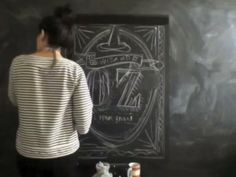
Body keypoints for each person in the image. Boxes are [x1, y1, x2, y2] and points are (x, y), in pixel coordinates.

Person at [8, 4, 93, 177]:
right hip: (64, 157)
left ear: (42, 35)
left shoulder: (18, 64)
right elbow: (84, 126)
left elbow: (14, 100)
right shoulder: (74, 70)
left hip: (28, 154)